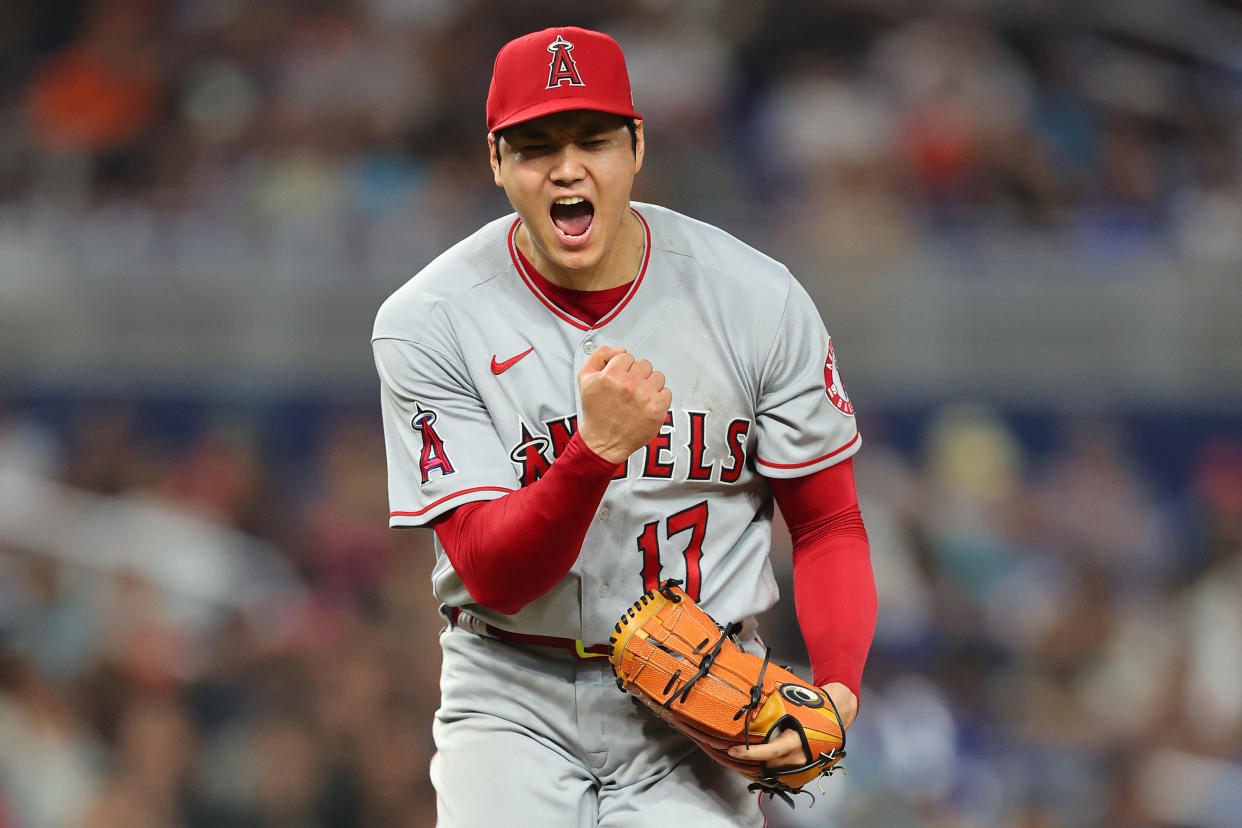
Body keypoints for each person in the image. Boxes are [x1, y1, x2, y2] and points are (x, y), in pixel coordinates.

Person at [372, 26, 877, 827]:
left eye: (594, 139)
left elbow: (828, 521)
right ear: (496, 161)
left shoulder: (755, 299)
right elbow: (493, 574)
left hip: (700, 701)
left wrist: (840, 685)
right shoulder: (430, 321)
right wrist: (593, 453)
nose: (568, 167)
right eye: (536, 146)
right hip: (512, 692)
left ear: (636, 147)